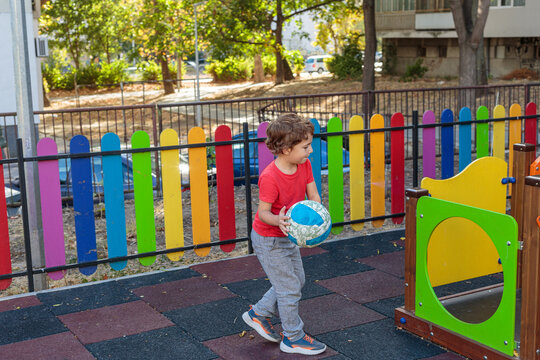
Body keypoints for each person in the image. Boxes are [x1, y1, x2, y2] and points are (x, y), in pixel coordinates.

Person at [241, 113, 326, 355]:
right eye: (306, 146)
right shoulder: (270, 177)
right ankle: (293, 337)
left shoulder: (304, 165)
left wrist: (315, 223)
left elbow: (314, 198)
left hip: (287, 235)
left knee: (296, 281)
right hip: (268, 237)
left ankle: (258, 313)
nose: (310, 151)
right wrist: (280, 220)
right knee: (288, 287)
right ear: (287, 149)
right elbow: (264, 213)